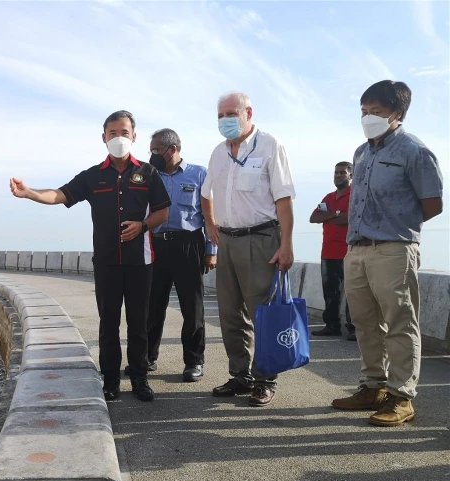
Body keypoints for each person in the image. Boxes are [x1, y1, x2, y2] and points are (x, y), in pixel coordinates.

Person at [9, 110, 171, 402]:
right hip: (107, 262)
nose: (118, 138)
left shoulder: (148, 173)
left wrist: (142, 225)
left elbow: (163, 212)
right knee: (108, 324)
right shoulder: (93, 176)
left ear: (133, 137)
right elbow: (59, 195)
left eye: (124, 132)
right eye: (112, 133)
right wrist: (29, 192)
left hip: (140, 263)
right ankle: (110, 381)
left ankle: (139, 379)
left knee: (139, 324)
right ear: (103, 138)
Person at [331, 80, 443, 426]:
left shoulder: (414, 151)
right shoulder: (361, 153)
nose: (367, 117)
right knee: (365, 323)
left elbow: (432, 204)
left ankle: (401, 396)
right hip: (357, 249)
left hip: (394, 248)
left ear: (397, 112)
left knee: (399, 322)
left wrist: (395, 226)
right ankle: (372, 386)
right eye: (364, 111)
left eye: (375, 111)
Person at [201, 92, 296, 407]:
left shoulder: (270, 145)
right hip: (227, 241)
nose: (225, 120)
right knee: (230, 314)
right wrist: (210, 224)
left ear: (248, 112)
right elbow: (206, 192)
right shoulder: (218, 152)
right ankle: (240, 376)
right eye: (220, 115)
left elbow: (283, 199)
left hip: (261, 239)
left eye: (230, 113)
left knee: (262, 314)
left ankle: (265, 379)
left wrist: (286, 244)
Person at [136, 128, 215, 382]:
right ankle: (148, 358)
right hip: (156, 244)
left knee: (192, 309)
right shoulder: (148, 175)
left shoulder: (200, 174)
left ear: (172, 149)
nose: (152, 155)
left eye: (156, 150)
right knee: (152, 306)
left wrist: (211, 251)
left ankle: (194, 362)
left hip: (188, 246)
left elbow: (210, 216)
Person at [309, 162, 356, 341]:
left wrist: (329, 217)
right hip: (328, 252)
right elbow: (314, 217)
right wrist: (334, 215)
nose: (338, 175)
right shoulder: (328, 198)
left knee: (352, 292)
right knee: (330, 292)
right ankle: (331, 325)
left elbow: (350, 219)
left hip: (348, 252)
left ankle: (353, 328)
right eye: (336, 172)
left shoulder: (355, 195)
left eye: (342, 173)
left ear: (351, 176)